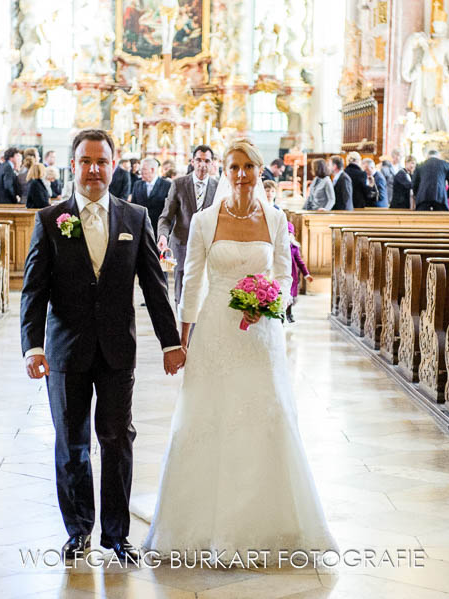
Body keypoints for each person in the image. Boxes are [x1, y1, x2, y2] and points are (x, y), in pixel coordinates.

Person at [143, 139, 336, 562]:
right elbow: (192, 280)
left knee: (264, 414)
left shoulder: (276, 217)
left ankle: (267, 520)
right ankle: (199, 523)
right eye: (235, 167)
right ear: (224, 172)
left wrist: (272, 303)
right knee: (208, 416)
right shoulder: (205, 221)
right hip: (215, 329)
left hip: (260, 333)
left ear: (260, 170)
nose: (243, 174)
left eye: (250, 166)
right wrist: (181, 340)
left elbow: (285, 275)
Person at [21, 128, 185, 564]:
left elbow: (154, 284)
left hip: (116, 350)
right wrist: (32, 347)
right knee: (72, 442)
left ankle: (116, 534)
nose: (94, 170)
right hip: (66, 350)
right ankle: (78, 531)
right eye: (85, 161)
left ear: (114, 165)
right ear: (72, 166)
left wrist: (171, 341)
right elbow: (33, 291)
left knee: (116, 441)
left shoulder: (135, 217)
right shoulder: (50, 219)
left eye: (102, 161)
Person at [157, 145, 218, 305]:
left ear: (212, 164)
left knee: (205, 295)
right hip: (182, 245)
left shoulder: (217, 187)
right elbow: (166, 217)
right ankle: (182, 328)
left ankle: (198, 330)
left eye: (207, 161)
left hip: (207, 249)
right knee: (182, 295)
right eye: (198, 160)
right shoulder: (179, 184)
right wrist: (163, 236)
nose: (202, 165)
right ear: (192, 161)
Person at [131, 157, 171, 233]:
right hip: (141, 229)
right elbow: (133, 206)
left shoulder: (167, 185)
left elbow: (169, 211)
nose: (140, 172)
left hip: (159, 229)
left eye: (143, 169)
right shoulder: (137, 184)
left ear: (152, 170)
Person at [286, 221, 312, 323]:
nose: (287, 235)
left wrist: (306, 274)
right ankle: (281, 315)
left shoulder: (294, 247)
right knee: (281, 293)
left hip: (292, 275)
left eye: (289, 233)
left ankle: (289, 314)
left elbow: (300, 262)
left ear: (292, 235)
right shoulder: (278, 245)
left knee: (290, 295)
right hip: (280, 273)